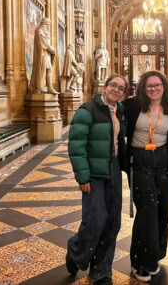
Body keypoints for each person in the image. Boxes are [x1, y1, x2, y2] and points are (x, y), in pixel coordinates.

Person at [66, 75, 128, 285]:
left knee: (112, 223)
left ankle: (101, 270)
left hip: (113, 168)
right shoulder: (87, 110)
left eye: (121, 88)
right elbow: (76, 145)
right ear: (105, 86)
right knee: (95, 221)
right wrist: (82, 176)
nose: (116, 90)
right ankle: (75, 251)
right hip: (93, 172)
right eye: (113, 85)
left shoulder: (121, 111)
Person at [123, 70, 168, 282]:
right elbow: (113, 110)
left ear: (164, 87)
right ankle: (139, 262)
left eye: (158, 85)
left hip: (163, 161)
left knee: (162, 210)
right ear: (143, 88)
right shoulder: (132, 106)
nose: (154, 89)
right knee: (147, 209)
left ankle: (155, 256)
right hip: (140, 161)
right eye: (149, 86)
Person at [30, 18, 59, 94]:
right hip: (42, 54)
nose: (49, 26)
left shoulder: (45, 32)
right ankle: (39, 87)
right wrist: (52, 49)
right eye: (48, 24)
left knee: (49, 69)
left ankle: (50, 87)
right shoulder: (39, 31)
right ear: (45, 23)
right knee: (41, 70)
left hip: (47, 54)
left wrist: (51, 50)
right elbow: (43, 43)